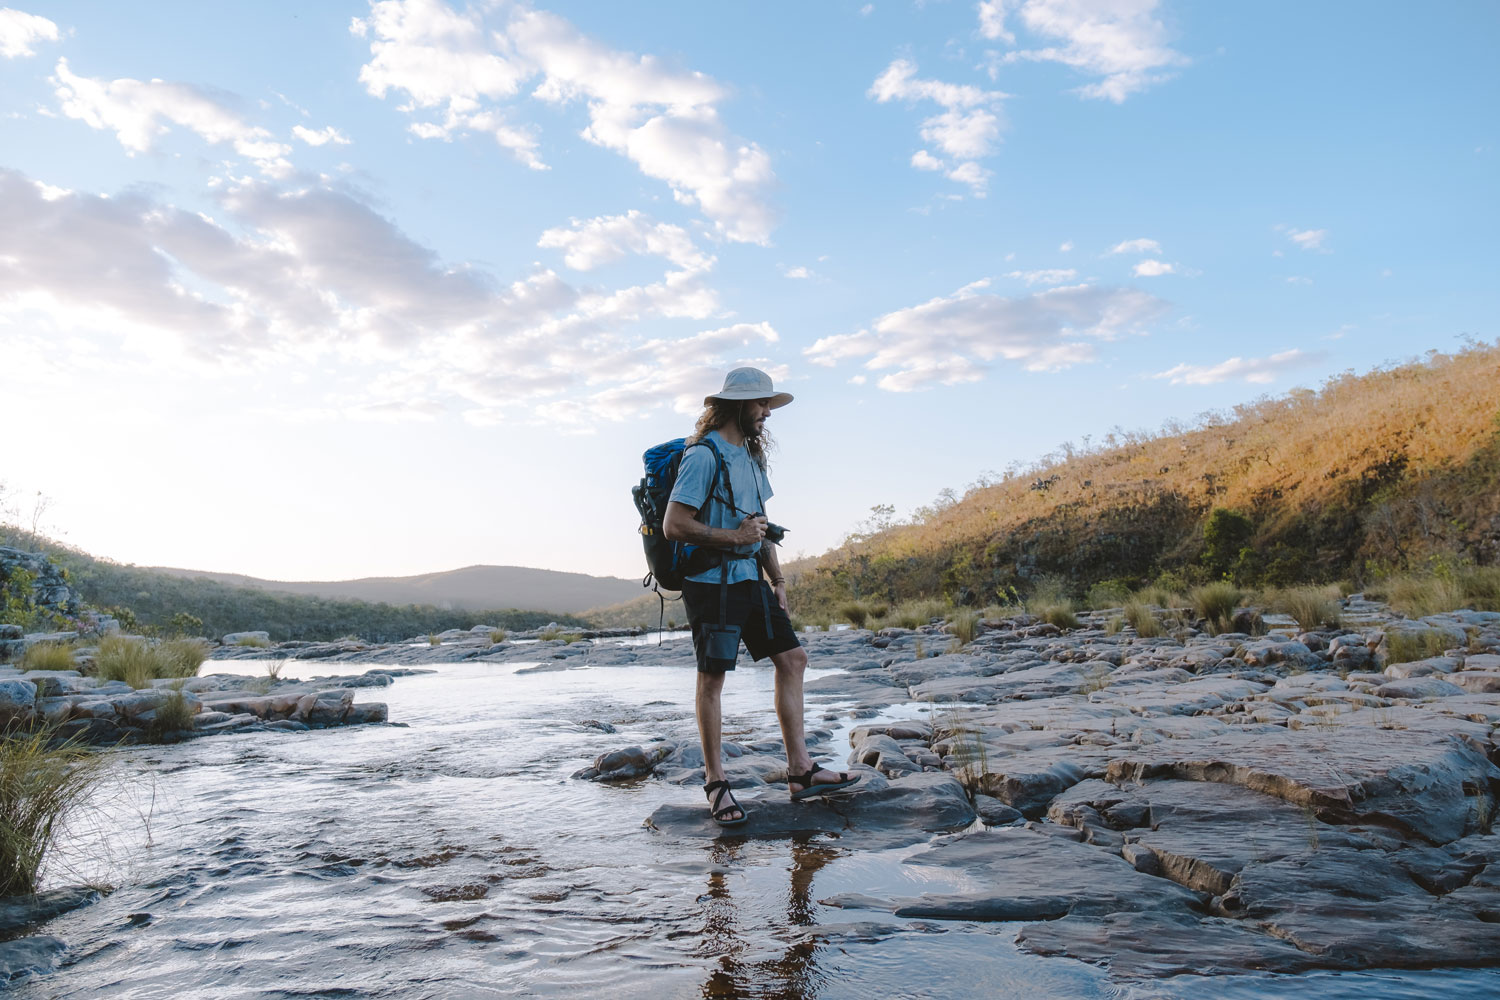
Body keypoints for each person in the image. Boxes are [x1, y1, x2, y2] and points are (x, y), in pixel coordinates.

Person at [663, 367, 859, 826]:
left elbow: (761, 526)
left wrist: (778, 580)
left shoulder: (752, 459)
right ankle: (716, 784)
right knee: (712, 680)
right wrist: (732, 538)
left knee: (793, 659)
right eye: (761, 404)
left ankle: (801, 771)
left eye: (769, 404)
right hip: (711, 585)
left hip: (751, 579)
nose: (768, 412)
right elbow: (675, 525)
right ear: (735, 405)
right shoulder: (702, 456)